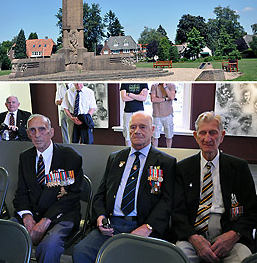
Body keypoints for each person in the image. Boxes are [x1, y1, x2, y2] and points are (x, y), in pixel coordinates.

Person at [72, 112, 176, 263]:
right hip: (112, 224)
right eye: (132, 127)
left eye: (142, 127)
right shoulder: (115, 158)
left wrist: (148, 227)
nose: (137, 131)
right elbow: (101, 193)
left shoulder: (166, 162)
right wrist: (101, 217)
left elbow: (167, 201)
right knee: (81, 252)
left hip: (143, 225)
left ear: (152, 129)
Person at [172, 111, 257, 263]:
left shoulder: (239, 167)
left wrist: (234, 234)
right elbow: (177, 211)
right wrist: (193, 238)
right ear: (195, 136)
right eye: (202, 133)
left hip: (231, 238)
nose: (207, 138)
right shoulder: (182, 169)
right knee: (176, 259)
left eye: (213, 133)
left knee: (244, 260)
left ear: (222, 135)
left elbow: (253, 211)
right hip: (192, 238)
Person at [13, 114, 83, 263]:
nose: (37, 135)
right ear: (27, 134)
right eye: (32, 130)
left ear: (51, 132)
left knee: (49, 246)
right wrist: (27, 217)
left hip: (61, 216)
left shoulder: (69, 157)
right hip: (32, 213)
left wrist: (45, 221)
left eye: (42, 129)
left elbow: (72, 196)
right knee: (1, 234)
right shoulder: (25, 157)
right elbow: (21, 192)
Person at [150, 83, 176, 148]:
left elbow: (172, 97)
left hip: (168, 115)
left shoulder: (171, 86)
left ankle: (169, 151)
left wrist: (165, 87)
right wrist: (165, 99)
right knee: (155, 136)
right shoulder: (154, 86)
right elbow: (153, 99)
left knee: (169, 135)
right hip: (156, 115)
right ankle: (155, 152)